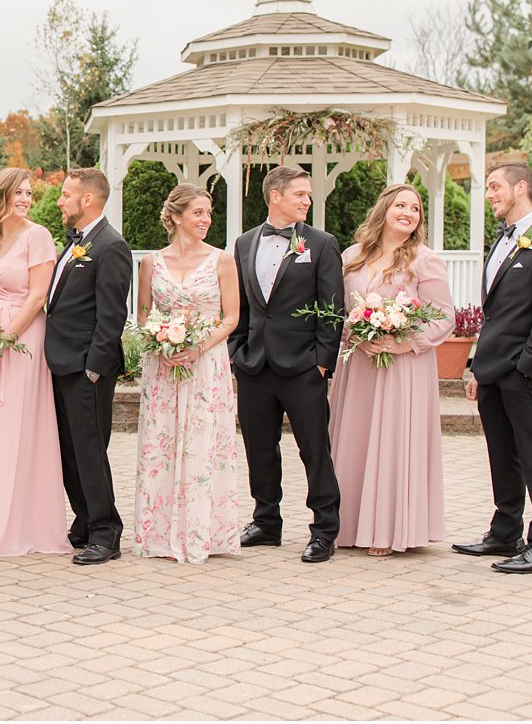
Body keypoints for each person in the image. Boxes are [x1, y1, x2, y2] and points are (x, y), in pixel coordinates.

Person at [452, 162, 532, 574]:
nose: (489, 194)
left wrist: (525, 367)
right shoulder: (501, 242)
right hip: (491, 371)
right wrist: (476, 368)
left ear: (521, 187)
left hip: (523, 372)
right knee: (501, 455)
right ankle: (505, 532)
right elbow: (493, 316)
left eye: (495, 186)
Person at [228, 165, 344, 564]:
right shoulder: (243, 243)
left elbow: (332, 309)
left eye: (308, 195)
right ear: (275, 195)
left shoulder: (322, 243)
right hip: (254, 364)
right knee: (259, 448)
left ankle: (325, 529)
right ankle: (266, 522)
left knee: (314, 450)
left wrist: (322, 364)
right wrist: (236, 352)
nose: (307, 201)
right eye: (300, 194)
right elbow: (240, 305)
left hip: (303, 367)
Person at [329, 184, 453, 556]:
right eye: (401, 205)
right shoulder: (352, 255)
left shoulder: (424, 259)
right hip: (359, 362)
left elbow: (444, 316)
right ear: (384, 209)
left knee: (393, 439)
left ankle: (387, 529)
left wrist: (402, 342)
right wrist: (357, 336)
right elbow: (340, 310)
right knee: (355, 437)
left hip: (404, 368)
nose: (409, 213)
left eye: (415, 208)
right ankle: (347, 526)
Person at [0, 168, 69, 560]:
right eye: (18, 192)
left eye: (29, 193)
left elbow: (38, 298)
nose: (25, 199)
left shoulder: (38, 237)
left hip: (22, 344)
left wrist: (2, 341)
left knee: (10, 433)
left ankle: (6, 531)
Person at [131, 184, 242, 564]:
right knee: (161, 444)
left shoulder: (222, 260)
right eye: (198, 213)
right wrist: (162, 343)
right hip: (162, 366)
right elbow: (144, 312)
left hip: (206, 363)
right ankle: (158, 534)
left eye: (208, 214)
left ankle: (204, 532)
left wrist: (197, 346)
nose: (206, 220)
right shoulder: (150, 263)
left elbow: (232, 317)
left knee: (203, 443)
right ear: (176, 216)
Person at [44, 168, 133, 566]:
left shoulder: (111, 245)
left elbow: (112, 316)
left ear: (88, 200)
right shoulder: (77, 242)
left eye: (66, 195)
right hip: (62, 364)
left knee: (90, 450)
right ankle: (84, 520)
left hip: (86, 368)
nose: (60, 201)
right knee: (68, 451)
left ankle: (106, 531)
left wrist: (94, 369)